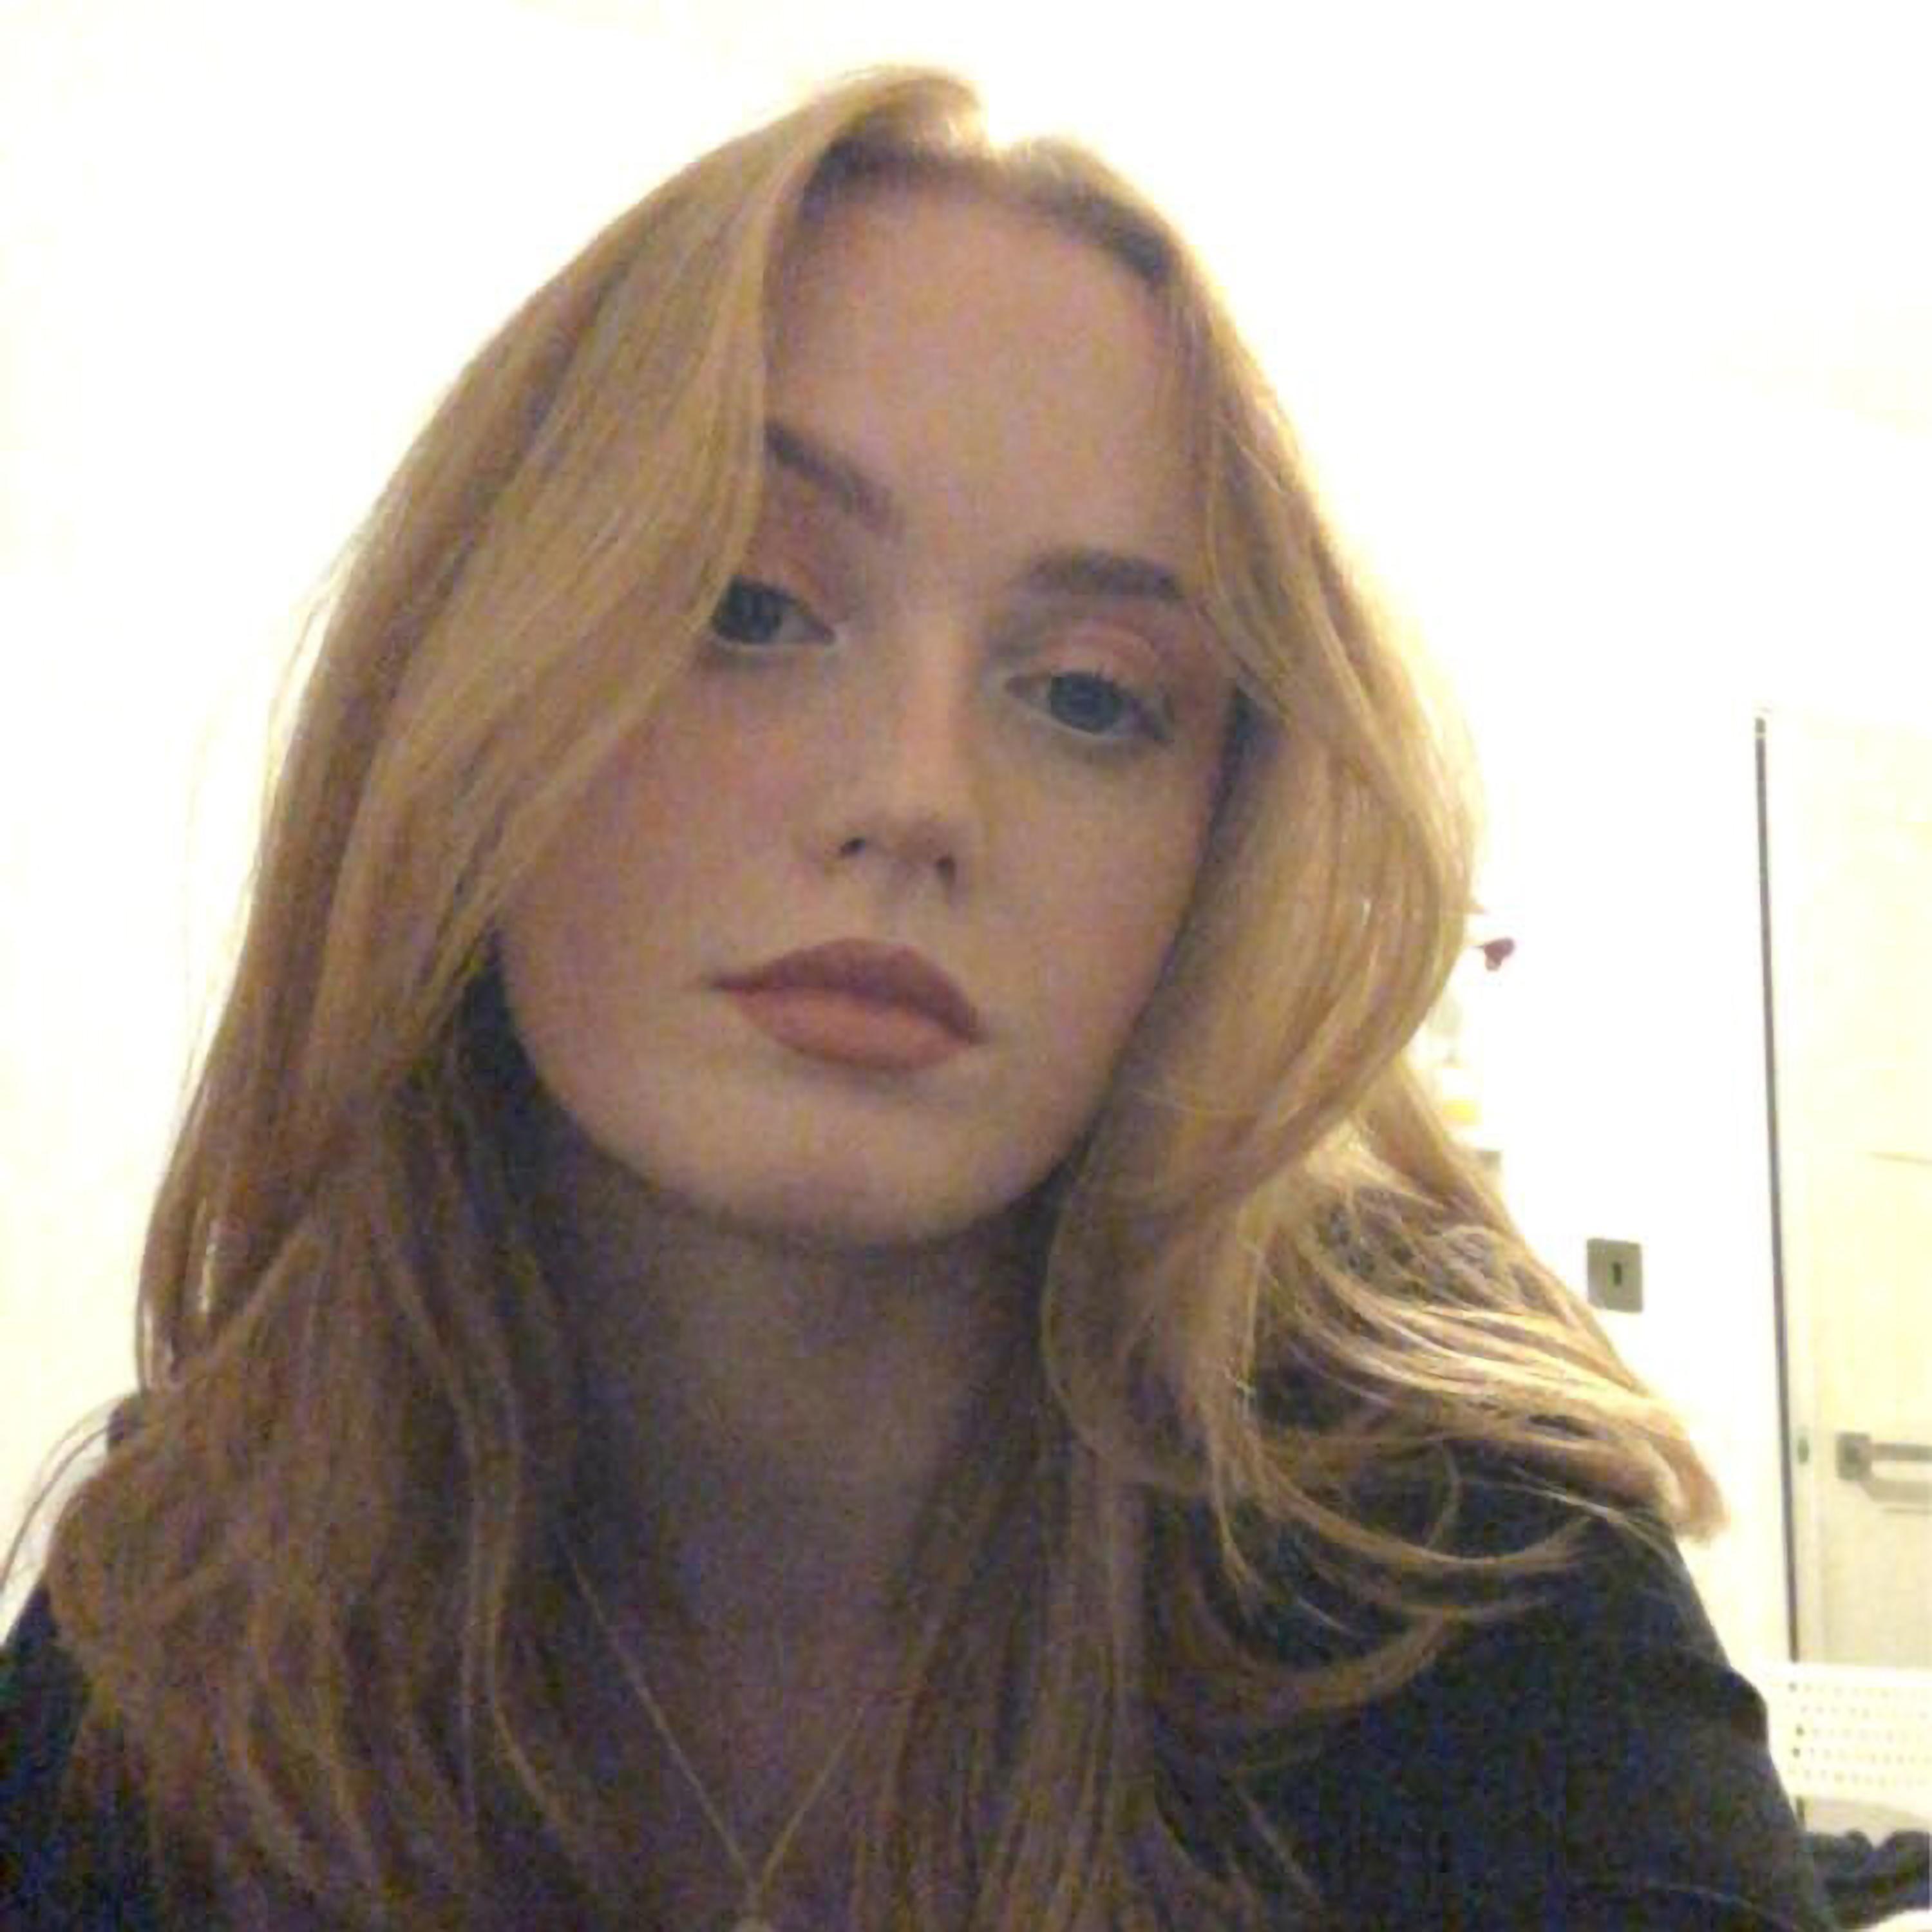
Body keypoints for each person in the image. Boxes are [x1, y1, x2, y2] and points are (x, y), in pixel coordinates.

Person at [0, 64, 1834, 1931]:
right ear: (467, 695)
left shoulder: (1456, 1563)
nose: (916, 796)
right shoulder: (194, 1606)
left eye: (1092, 696)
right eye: (748, 606)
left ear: (1214, 854)